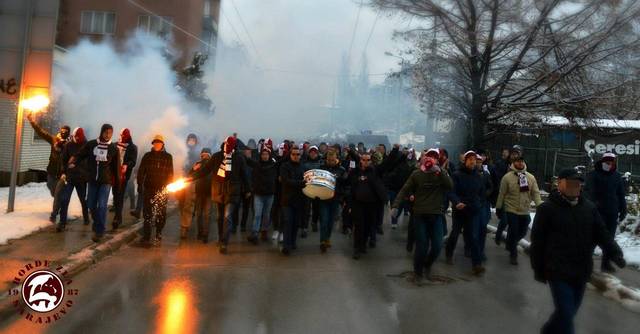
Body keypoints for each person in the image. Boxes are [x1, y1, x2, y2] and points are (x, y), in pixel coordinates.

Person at [531, 168, 626, 334]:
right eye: (571, 183)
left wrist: (615, 252)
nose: (575, 187)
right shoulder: (547, 209)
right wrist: (538, 268)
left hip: (581, 270)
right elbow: (538, 242)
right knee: (567, 315)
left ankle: (548, 331)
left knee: (567, 313)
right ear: (559, 184)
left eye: (578, 184)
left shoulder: (588, 208)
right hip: (557, 270)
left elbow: (602, 233)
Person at [392, 148, 452, 281]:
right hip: (420, 214)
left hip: (436, 214)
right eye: (428, 156)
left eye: (434, 157)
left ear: (437, 160)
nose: (431, 159)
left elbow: (450, 186)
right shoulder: (416, 174)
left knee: (437, 246)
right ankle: (418, 270)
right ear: (424, 158)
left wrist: (440, 171)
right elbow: (404, 189)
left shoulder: (441, 173)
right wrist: (396, 205)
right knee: (422, 245)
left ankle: (428, 264)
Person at [189, 136, 250, 254]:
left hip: (232, 192)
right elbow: (205, 170)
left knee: (227, 217)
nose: (228, 147)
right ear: (224, 144)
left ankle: (224, 243)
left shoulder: (239, 158)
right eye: (227, 144)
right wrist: (192, 177)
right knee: (219, 217)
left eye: (230, 145)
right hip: (218, 191)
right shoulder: (217, 156)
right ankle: (221, 236)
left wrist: (247, 189)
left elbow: (244, 174)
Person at [69, 124, 120, 242]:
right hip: (92, 180)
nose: (108, 135)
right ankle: (97, 223)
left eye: (110, 133)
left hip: (105, 182)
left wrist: (117, 183)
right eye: (106, 132)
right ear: (101, 132)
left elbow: (116, 168)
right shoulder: (92, 144)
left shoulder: (113, 148)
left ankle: (99, 231)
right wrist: (74, 161)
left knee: (102, 206)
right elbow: (81, 154)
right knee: (91, 204)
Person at [584, 152, 627, 273]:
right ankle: (586, 263)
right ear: (602, 162)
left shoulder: (617, 176)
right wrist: (592, 205)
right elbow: (588, 192)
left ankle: (606, 264)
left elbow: (620, 194)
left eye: (611, 163)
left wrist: (623, 209)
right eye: (607, 163)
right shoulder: (593, 175)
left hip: (612, 212)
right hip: (597, 212)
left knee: (609, 238)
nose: (609, 165)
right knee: (593, 238)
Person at [495, 154, 542, 265]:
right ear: (513, 163)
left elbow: (535, 193)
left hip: (524, 209)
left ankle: (511, 242)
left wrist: (539, 205)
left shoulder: (530, 177)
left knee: (523, 230)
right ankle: (513, 254)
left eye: (521, 161)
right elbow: (502, 194)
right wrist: (498, 207)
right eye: (517, 161)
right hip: (511, 209)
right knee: (514, 229)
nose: (520, 163)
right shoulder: (507, 177)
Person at [446, 151, 487, 275]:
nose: (473, 162)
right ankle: (449, 253)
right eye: (470, 159)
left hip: (472, 210)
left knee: (473, 237)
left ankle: (477, 264)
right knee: (455, 233)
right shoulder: (456, 175)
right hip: (459, 210)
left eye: (474, 159)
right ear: (465, 161)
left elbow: (481, 194)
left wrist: (478, 204)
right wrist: (457, 202)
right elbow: (451, 191)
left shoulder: (478, 177)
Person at [26, 112, 70, 223]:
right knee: (52, 191)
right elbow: (41, 132)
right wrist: (32, 121)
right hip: (51, 172)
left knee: (57, 194)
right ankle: (58, 205)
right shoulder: (54, 140)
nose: (63, 133)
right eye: (62, 131)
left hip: (62, 174)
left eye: (65, 132)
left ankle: (53, 215)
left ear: (68, 133)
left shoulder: (69, 144)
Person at [348, 152, 388, 259]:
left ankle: (363, 245)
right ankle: (357, 248)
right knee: (359, 226)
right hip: (358, 203)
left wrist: (395, 150)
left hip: (372, 204)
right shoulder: (355, 172)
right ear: (360, 160)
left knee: (368, 226)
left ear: (371, 161)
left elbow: (389, 164)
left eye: (368, 160)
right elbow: (350, 187)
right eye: (364, 160)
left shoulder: (375, 172)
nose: (366, 162)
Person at [136, 135, 174, 247]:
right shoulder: (147, 156)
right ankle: (146, 236)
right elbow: (141, 171)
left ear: (163, 144)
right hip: (149, 189)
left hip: (162, 190)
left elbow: (170, 174)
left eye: (159, 143)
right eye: (155, 143)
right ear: (152, 144)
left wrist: (169, 187)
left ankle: (158, 233)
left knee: (160, 214)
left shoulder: (168, 157)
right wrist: (140, 184)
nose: (157, 144)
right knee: (147, 213)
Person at [58, 127, 90, 231]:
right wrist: (63, 171)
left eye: (79, 138)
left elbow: (88, 162)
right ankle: (62, 223)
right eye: (75, 137)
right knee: (64, 199)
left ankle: (86, 217)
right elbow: (63, 160)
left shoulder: (87, 145)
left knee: (82, 199)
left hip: (81, 178)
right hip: (70, 177)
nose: (77, 139)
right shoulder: (69, 145)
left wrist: (78, 166)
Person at [244, 146, 278, 244]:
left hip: (270, 194)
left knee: (266, 215)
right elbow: (247, 160)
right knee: (258, 214)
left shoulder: (274, 165)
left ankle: (264, 232)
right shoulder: (257, 165)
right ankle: (254, 233)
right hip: (258, 194)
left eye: (266, 154)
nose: (265, 156)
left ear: (269, 155)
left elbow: (282, 160)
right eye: (263, 154)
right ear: (260, 155)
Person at [317, 150, 348, 253]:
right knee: (324, 220)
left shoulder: (341, 169)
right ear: (326, 159)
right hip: (323, 199)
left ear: (336, 159)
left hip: (335, 199)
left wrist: (343, 198)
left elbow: (345, 184)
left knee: (331, 222)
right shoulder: (322, 168)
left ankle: (327, 238)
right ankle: (322, 241)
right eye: (329, 160)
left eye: (333, 160)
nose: (331, 161)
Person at [279, 146, 306, 255]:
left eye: (297, 154)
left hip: (299, 199)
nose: (296, 156)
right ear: (290, 155)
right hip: (287, 200)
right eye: (294, 154)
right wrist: (300, 183)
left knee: (295, 223)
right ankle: (286, 245)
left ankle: (293, 242)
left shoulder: (302, 167)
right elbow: (286, 181)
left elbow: (306, 181)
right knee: (288, 222)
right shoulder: (284, 166)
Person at [112, 128, 137, 230]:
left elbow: (133, 160)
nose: (121, 137)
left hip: (124, 175)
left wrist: (127, 165)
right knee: (115, 194)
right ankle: (118, 216)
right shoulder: (115, 145)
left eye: (123, 135)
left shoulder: (132, 147)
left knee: (120, 195)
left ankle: (118, 218)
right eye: (121, 135)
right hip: (113, 174)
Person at [494, 145, 520, 245]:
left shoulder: (520, 166)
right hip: (505, 196)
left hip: (516, 198)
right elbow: (497, 180)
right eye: (513, 154)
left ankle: (510, 242)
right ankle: (498, 235)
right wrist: (506, 174)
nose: (515, 156)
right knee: (504, 220)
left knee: (514, 223)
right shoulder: (502, 164)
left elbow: (524, 185)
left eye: (517, 154)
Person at [179, 133, 200, 239]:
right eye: (190, 140)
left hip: (191, 181)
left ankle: (184, 227)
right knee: (182, 203)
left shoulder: (197, 154)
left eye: (193, 140)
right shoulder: (182, 151)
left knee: (188, 204)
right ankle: (185, 222)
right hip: (181, 179)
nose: (191, 141)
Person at [190, 148, 213, 243]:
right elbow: (190, 176)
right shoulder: (197, 164)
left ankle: (205, 235)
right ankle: (200, 233)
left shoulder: (213, 164)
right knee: (199, 214)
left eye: (207, 155)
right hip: (199, 192)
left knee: (207, 215)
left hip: (209, 193)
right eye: (203, 155)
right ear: (201, 155)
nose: (205, 157)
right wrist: (193, 169)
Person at [302, 146, 323, 236]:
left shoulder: (321, 163)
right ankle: (305, 227)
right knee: (306, 209)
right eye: (311, 152)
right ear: (309, 153)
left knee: (316, 208)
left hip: (317, 189)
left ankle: (314, 222)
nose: (313, 154)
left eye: (315, 152)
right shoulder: (304, 163)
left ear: (317, 153)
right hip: (308, 188)